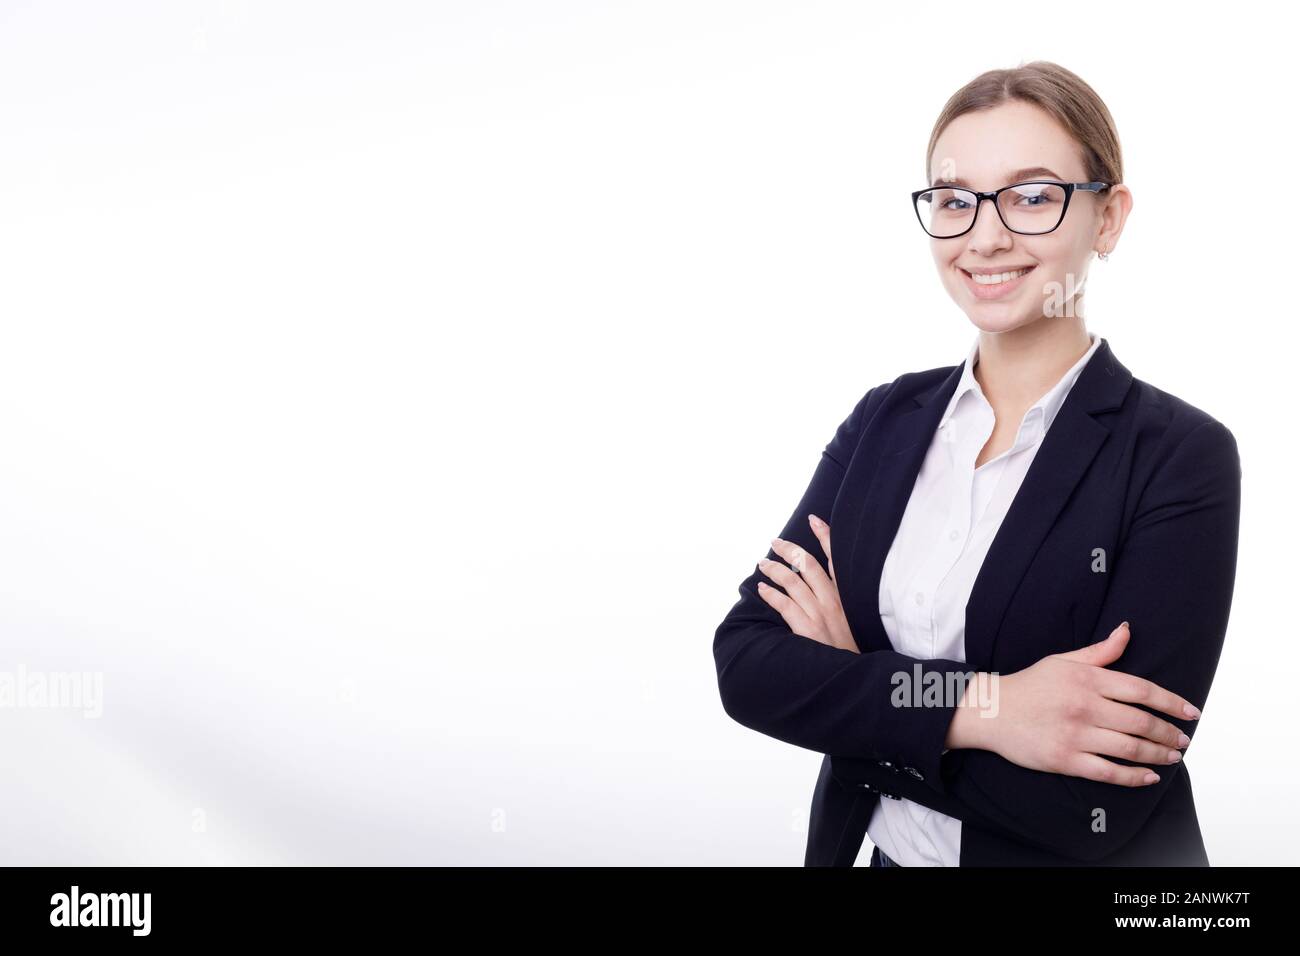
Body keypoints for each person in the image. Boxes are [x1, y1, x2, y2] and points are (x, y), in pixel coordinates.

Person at [712, 61, 1241, 866]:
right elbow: (748, 663)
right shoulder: (884, 419)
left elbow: (1093, 796)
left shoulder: (1179, 456)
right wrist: (993, 708)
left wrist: (855, 689)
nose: (985, 237)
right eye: (955, 201)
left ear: (1108, 218)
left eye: (1032, 196)